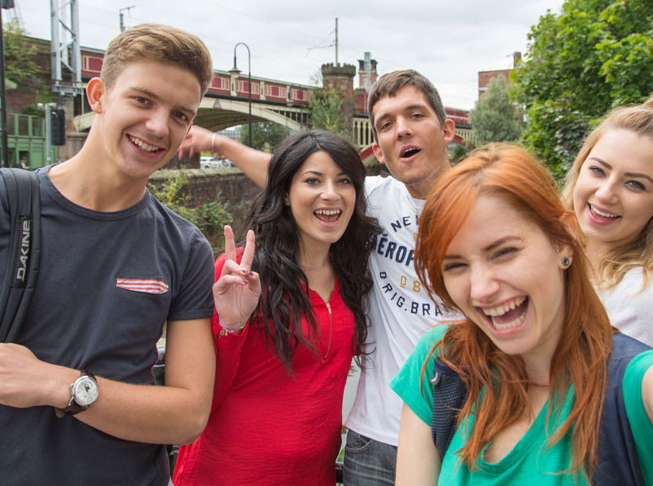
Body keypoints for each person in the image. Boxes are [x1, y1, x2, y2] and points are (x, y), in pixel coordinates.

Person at [391, 61, 653, 485]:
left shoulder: (628, 381)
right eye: (455, 264)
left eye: (505, 252)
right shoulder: (441, 366)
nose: (482, 288)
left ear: (564, 243)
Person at [178, 69, 458, 484]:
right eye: (386, 124)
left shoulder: (482, 208)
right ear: (378, 150)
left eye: (415, 115)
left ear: (447, 128)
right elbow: (295, 174)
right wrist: (221, 143)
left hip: (462, 429)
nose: (402, 131)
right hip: (371, 441)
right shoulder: (373, 200)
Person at [0, 24, 217, 485]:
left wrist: (58, 385)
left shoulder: (184, 246)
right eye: (142, 101)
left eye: (180, 115)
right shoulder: (8, 205)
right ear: (98, 94)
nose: (159, 127)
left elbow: (189, 414)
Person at [172, 130, 380, 485]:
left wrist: (221, 144)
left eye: (343, 181)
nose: (330, 193)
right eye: (312, 181)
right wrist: (232, 326)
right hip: (227, 473)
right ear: (285, 193)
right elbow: (201, 400)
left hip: (313, 476)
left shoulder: (354, 275)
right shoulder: (240, 273)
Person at [563, 94, 653, 359]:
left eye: (635, 184)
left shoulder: (651, 302)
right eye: (598, 170)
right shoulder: (548, 266)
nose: (606, 193)